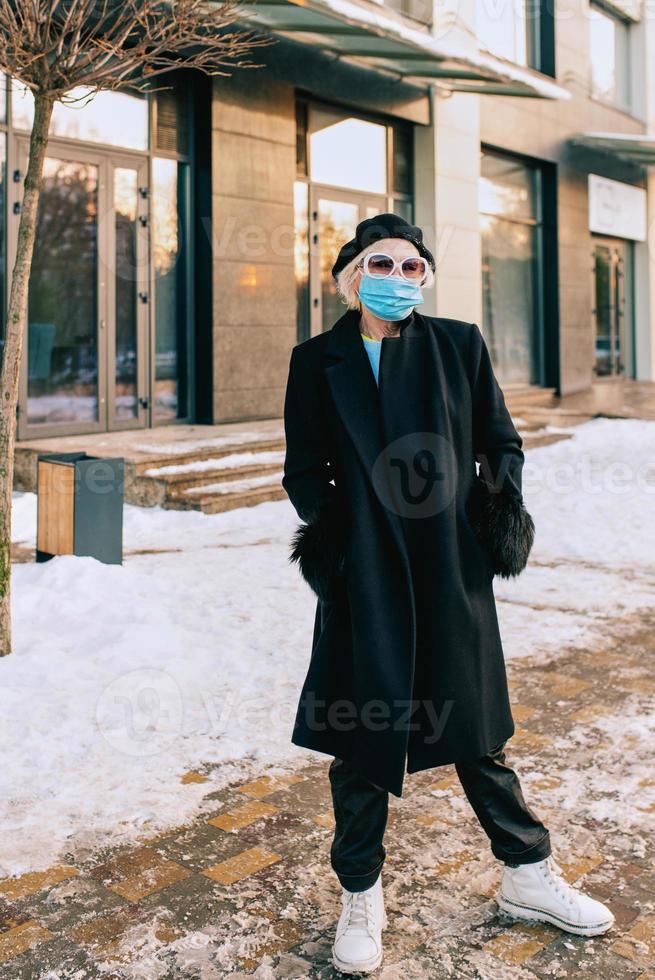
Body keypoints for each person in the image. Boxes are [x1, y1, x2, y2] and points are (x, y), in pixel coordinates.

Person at [281, 213, 613, 976]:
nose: (396, 279)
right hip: (364, 573)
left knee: (473, 724)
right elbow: (303, 469)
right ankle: (360, 891)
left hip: (446, 565)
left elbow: (499, 442)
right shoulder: (316, 360)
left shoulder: (456, 344)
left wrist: (483, 525)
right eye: (379, 264)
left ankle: (526, 873)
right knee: (363, 735)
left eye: (411, 268)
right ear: (347, 275)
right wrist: (338, 538)